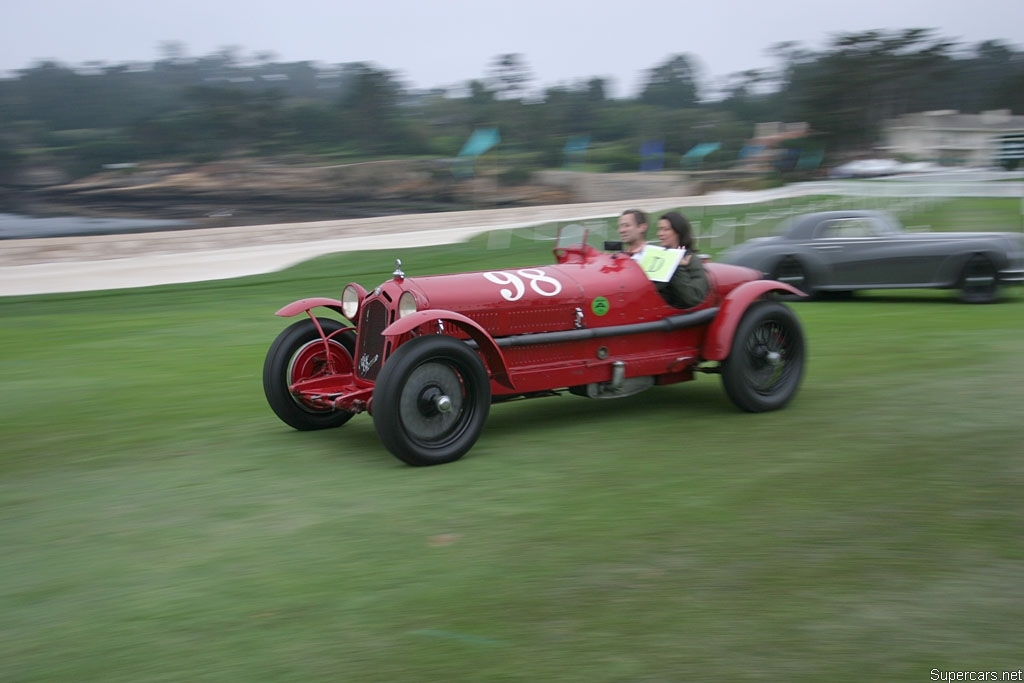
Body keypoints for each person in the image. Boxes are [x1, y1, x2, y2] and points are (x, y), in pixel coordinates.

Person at [653, 211, 709, 308]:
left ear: (678, 232)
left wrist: (677, 267)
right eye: (659, 229)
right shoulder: (658, 257)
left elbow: (693, 298)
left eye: (665, 229)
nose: (660, 234)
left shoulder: (692, 261)